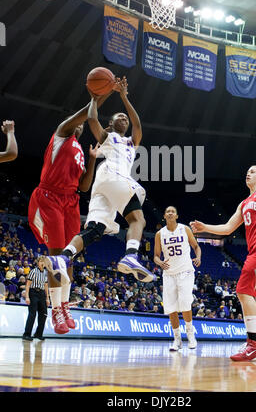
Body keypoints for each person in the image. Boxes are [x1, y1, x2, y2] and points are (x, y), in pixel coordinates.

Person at [44, 76, 155, 291]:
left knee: (95, 230)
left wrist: (124, 98)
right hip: (114, 176)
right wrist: (94, 99)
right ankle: (131, 255)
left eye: (125, 117)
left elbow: (137, 124)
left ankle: (62, 258)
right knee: (137, 219)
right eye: (118, 116)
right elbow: (92, 120)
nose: (124, 117)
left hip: (104, 186)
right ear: (111, 124)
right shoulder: (108, 137)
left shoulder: (131, 142)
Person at [190, 165, 256, 361]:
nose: (248, 173)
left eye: (253, 171)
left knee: (243, 289)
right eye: (247, 171)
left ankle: (253, 345)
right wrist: (204, 227)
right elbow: (227, 228)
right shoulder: (244, 203)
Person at [28, 92, 112, 335]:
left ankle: (64, 305)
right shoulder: (61, 135)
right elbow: (86, 113)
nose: (83, 124)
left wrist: (93, 159)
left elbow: (84, 186)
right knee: (55, 255)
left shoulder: (79, 153)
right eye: (81, 122)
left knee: (69, 256)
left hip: (71, 201)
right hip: (50, 197)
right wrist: (100, 96)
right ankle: (55, 310)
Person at [154, 206, 201, 351]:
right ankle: (177, 339)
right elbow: (156, 256)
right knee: (171, 308)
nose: (170, 213)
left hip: (185, 271)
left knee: (185, 303)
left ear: (176, 215)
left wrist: (198, 257)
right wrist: (159, 262)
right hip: (169, 274)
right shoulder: (159, 234)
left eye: (172, 211)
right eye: (167, 211)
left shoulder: (185, 229)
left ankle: (190, 335)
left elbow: (196, 246)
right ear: (164, 216)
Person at [22, 257, 50, 341]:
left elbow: (46, 286)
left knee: (44, 314)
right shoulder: (33, 271)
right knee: (32, 314)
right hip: (33, 292)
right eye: (41, 261)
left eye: (44, 262)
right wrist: (27, 296)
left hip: (42, 294)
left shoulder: (45, 273)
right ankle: (26, 334)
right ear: (38, 262)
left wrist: (47, 298)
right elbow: (27, 285)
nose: (42, 263)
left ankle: (38, 333)